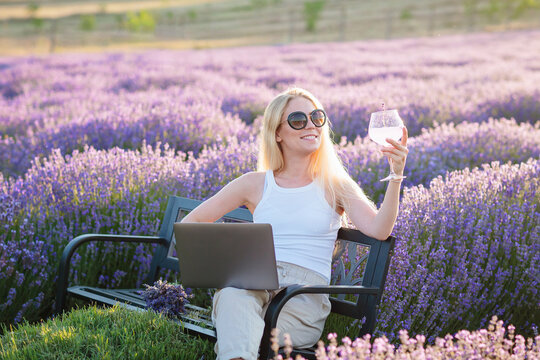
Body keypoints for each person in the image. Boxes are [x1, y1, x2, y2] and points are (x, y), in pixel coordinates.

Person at [181, 87, 408, 360]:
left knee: (245, 331)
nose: (311, 125)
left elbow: (379, 230)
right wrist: (228, 263)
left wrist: (396, 176)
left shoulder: (335, 184)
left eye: (317, 117)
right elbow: (191, 223)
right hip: (252, 283)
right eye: (298, 120)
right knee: (232, 297)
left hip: (303, 296)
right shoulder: (254, 183)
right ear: (277, 133)